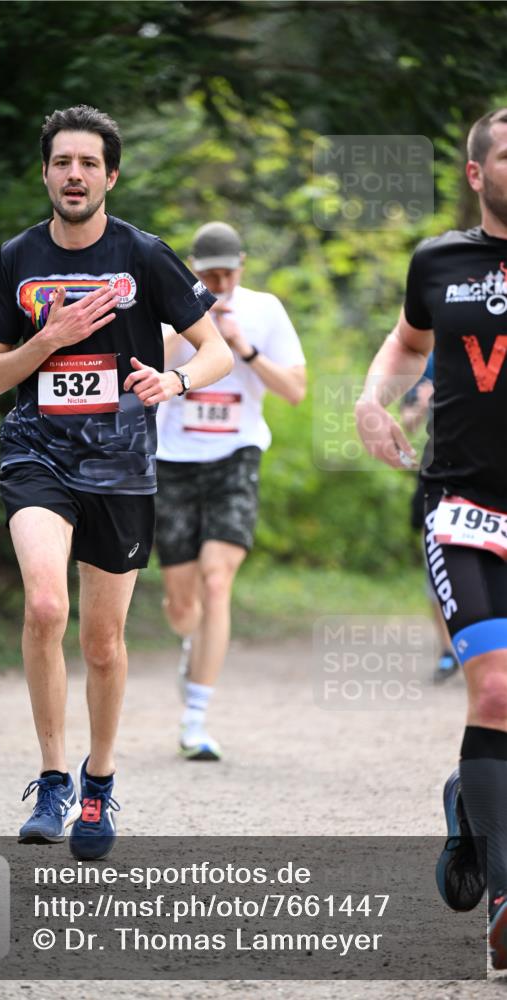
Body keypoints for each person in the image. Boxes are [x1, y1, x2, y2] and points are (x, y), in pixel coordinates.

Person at [0, 106, 232, 857]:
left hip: (121, 466)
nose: (75, 175)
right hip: (38, 453)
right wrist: (49, 339)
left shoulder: (144, 255)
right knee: (44, 605)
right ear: (45, 173)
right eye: (62, 162)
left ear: (110, 176)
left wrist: (175, 382)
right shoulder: (16, 257)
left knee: (101, 641)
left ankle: (99, 780)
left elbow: (214, 350)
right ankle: (53, 777)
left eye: (89, 163)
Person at [355, 108, 507, 970]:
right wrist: (370, 399)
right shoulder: (438, 262)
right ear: (475, 173)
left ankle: (470, 807)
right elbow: (405, 342)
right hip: (462, 508)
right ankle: (504, 900)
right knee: (494, 693)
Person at [155, 222, 306, 760]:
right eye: (209, 275)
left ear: (242, 265)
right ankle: (191, 643)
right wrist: (191, 330)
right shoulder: (169, 307)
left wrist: (244, 349)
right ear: (193, 269)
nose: (220, 284)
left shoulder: (265, 310)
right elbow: (141, 365)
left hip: (237, 456)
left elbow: (295, 390)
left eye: (228, 273)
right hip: (173, 462)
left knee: (217, 580)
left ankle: (195, 719)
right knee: (182, 604)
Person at [399, 353, 460, 683]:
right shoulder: (432, 360)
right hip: (440, 471)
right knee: (436, 564)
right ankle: (449, 650)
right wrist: (422, 405)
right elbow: (407, 422)